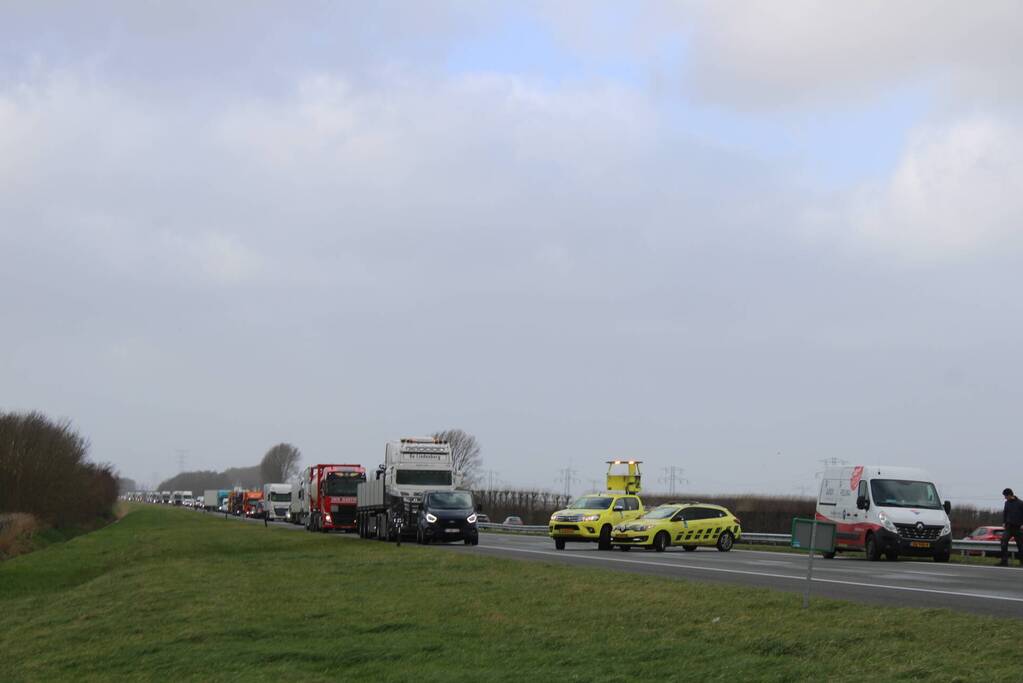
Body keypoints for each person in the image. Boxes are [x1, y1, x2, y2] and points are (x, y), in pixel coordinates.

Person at [999, 488, 1023, 566]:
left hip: (1018, 528)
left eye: (1005, 496)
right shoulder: (1007, 503)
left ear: (1009, 495)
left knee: (1020, 545)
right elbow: (1005, 513)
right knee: (1003, 543)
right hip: (1008, 527)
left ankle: (1022, 563)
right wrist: (1003, 522)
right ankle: (1004, 561)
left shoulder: (1020, 503)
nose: (1005, 497)